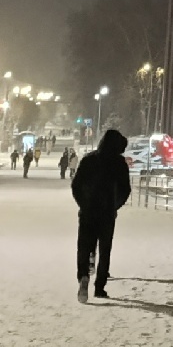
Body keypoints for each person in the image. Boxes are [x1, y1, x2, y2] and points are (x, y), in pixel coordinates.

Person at [70, 127, 132, 301]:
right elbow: (125, 189)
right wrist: (114, 205)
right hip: (107, 214)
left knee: (84, 247)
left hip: (88, 212)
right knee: (105, 250)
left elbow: (76, 185)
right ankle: (100, 286)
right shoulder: (119, 164)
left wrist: (83, 203)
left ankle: (83, 276)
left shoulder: (89, 160)